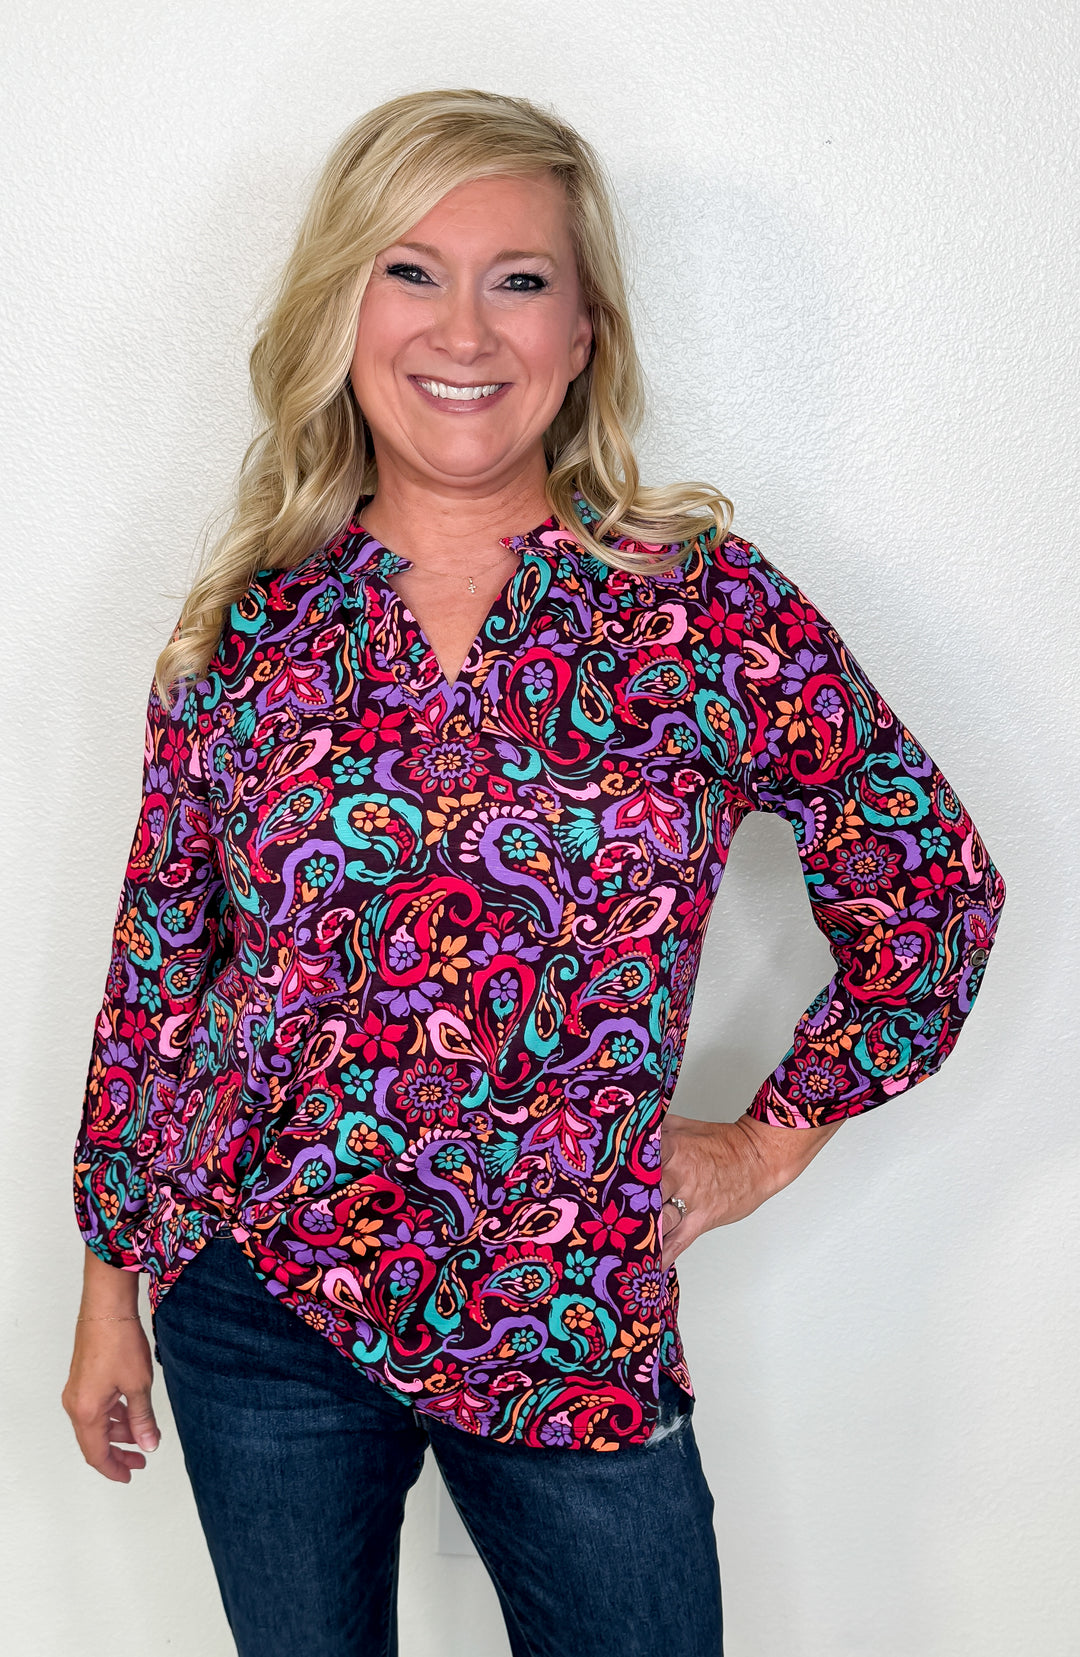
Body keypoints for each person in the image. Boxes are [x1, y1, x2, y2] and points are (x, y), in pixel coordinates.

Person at [62, 88, 1006, 1657]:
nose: (465, 329)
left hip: (568, 1320)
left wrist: (762, 1146)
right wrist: (109, 1290)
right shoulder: (252, 621)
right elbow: (163, 966)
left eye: (519, 280)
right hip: (259, 1302)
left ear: (583, 334)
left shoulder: (704, 615)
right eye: (411, 271)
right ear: (345, 310)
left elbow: (931, 884)